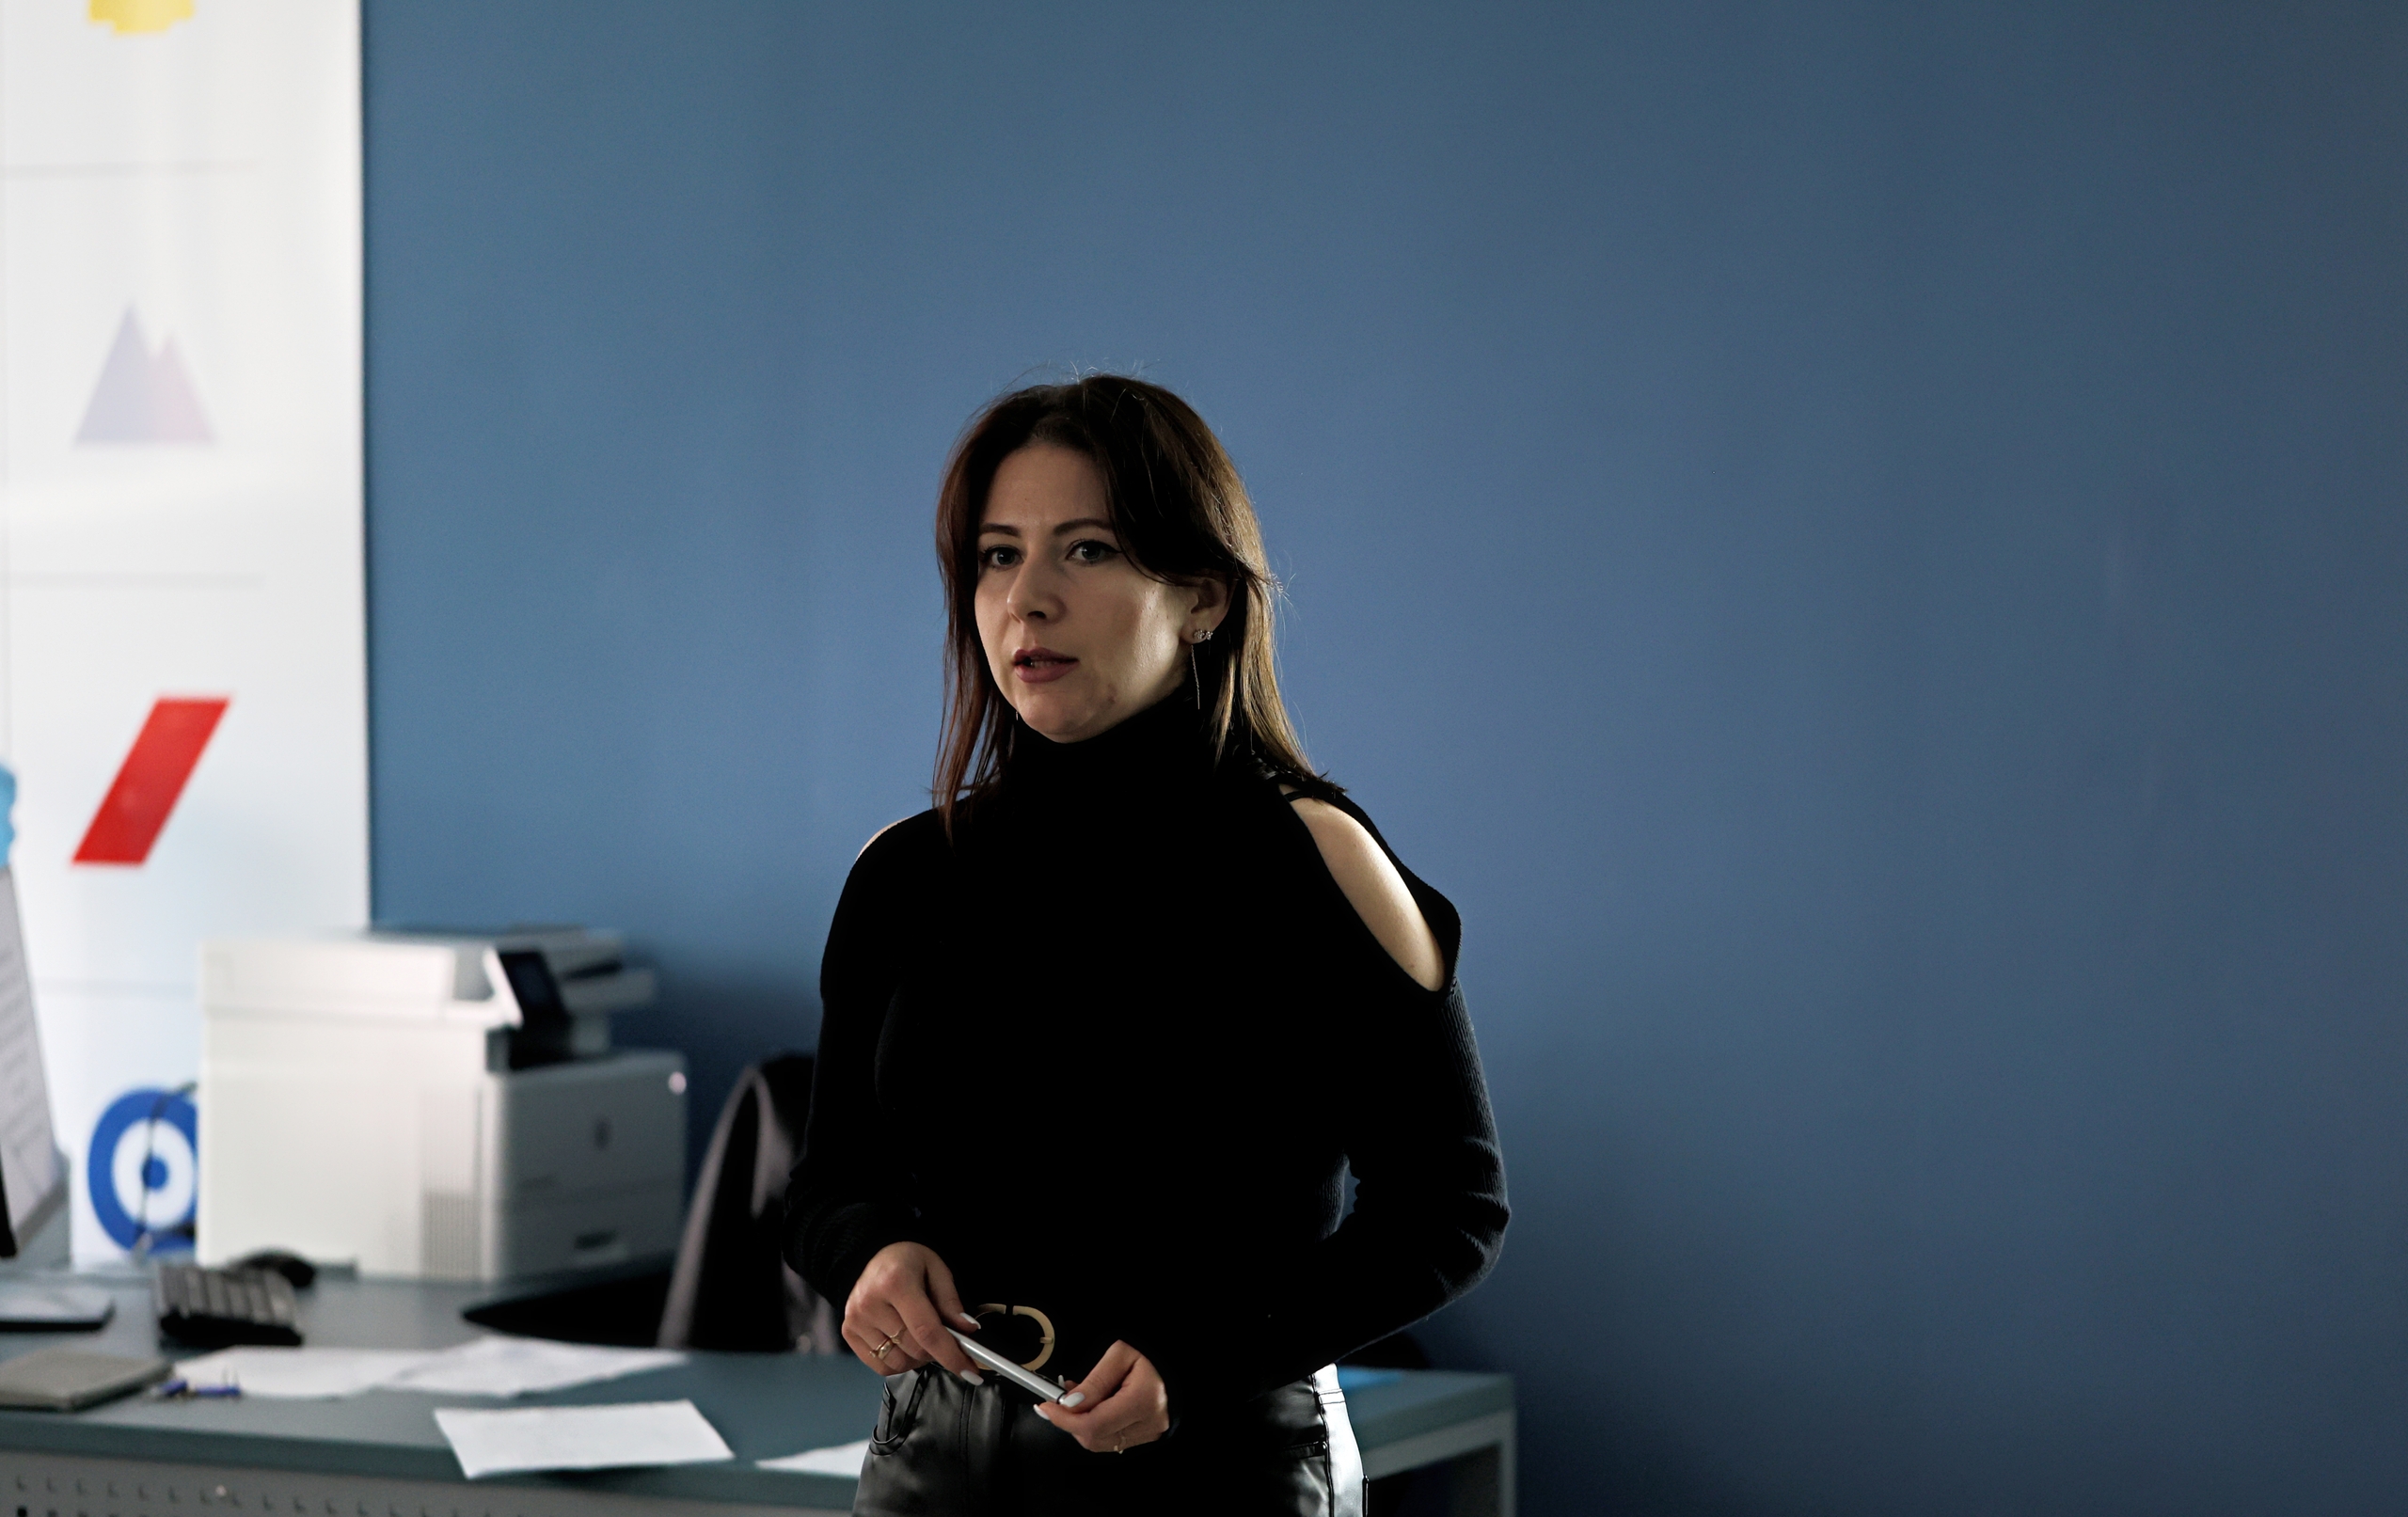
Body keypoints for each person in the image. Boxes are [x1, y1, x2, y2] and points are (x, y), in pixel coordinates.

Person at [784, 375, 1508, 1517]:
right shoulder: (905, 871)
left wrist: (1204, 1355)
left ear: (1203, 596)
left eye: (1087, 550)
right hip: (936, 1467)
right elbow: (829, 1182)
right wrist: (867, 1252)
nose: (1028, 599)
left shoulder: (1312, 854)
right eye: (997, 556)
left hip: (1222, 1465)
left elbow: (1449, 1205)